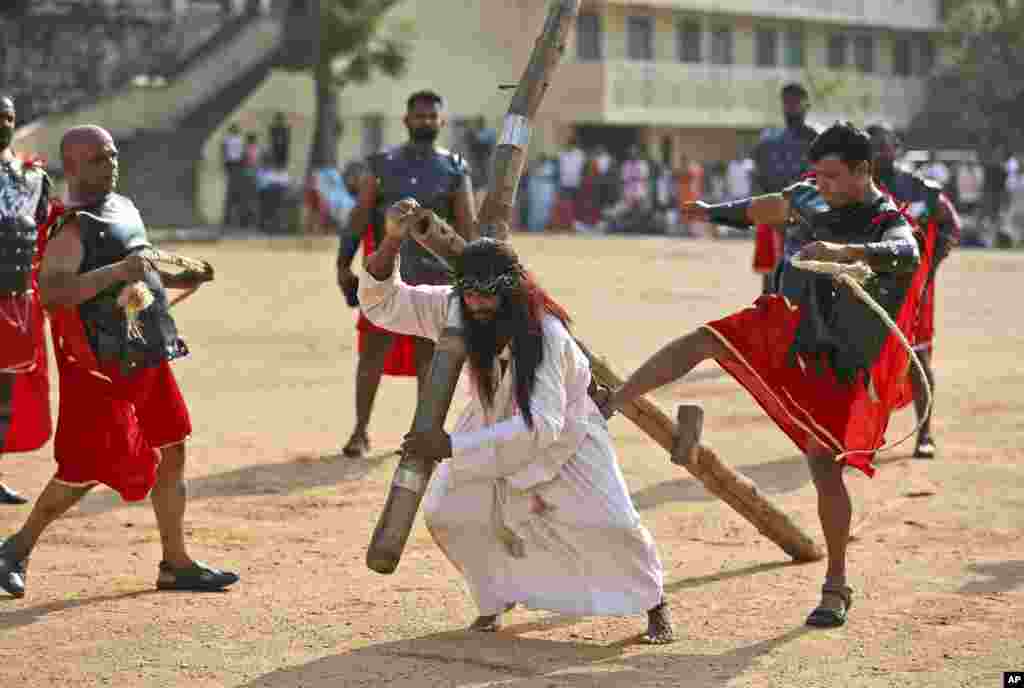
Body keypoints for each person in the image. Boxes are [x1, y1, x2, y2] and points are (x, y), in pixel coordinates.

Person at [601, 123, 923, 628]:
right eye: (818, 175)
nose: (824, 186)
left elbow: (908, 254)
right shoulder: (814, 196)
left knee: (823, 466)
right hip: (789, 320)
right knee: (707, 338)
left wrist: (847, 253)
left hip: (839, 356)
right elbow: (770, 206)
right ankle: (616, 399)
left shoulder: (886, 221)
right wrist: (714, 213)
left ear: (864, 171)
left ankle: (837, 584)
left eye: (835, 176)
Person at [360, 200, 674, 643]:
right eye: (469, 293)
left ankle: (654, 602)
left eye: (488, 294)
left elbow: (540, 426)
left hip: (565, 432)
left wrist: (449, 447)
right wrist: (392, 238)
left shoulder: (545, 333)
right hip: (489, 424)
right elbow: (383, 304)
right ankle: (495, 598)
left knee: (611, 523)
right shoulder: (457, 308)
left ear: (512, 290)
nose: (478, 303)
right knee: (447, 512)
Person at [0, 125, 239, 598]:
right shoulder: (73, 225)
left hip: (145, 350)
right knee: (85, 469)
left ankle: (175, 563)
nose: (109, 164)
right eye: (96, 159)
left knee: (172, 445)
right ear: (71, 167)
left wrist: (177, 278)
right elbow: (53, 290)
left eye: (111, 156)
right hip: (101, 365)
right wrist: (116, 271)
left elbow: (139, 272)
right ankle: (14, 548)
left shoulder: (124, 206)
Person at [335, 90, 476, 458]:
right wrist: (343, 264)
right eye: (420, 116)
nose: (426, 121)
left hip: (436, 278)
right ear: (406, 119)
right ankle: (360, 432)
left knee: (431, 360)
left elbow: (468, 227)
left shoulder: (456, 168)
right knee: (371, 355)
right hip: (387, 275)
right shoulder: (381, 165)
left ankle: (420, 434)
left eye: (433, 116)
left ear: (441, 122)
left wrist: (474, 275)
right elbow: (360, 216)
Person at [867, 124, 961, 459]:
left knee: (918, 359)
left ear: (896, 147)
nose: (879, 152)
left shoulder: (920, 188)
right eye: (872, 146)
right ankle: (869, 434)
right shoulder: (858, 190)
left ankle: (924, 433)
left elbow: (950, 224)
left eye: (884, 145)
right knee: (869, 361)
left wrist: (931, 265)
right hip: (873, 289)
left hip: (915, 291)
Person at [0, 94, 55, 505]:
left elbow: (41, 235)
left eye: (8, 117)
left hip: (13, 298)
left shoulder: (31, 176)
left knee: (4, 391)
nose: (2, 123)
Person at [751, 83, 819, 293]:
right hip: (775, 215)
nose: (791, 106)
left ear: (806, 105)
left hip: (808, 219)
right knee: (771, 277)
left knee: (807, 275)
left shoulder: (818, 139)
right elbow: (760, 178)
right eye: (787, 101)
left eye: (796, 102)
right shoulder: (769, 142)